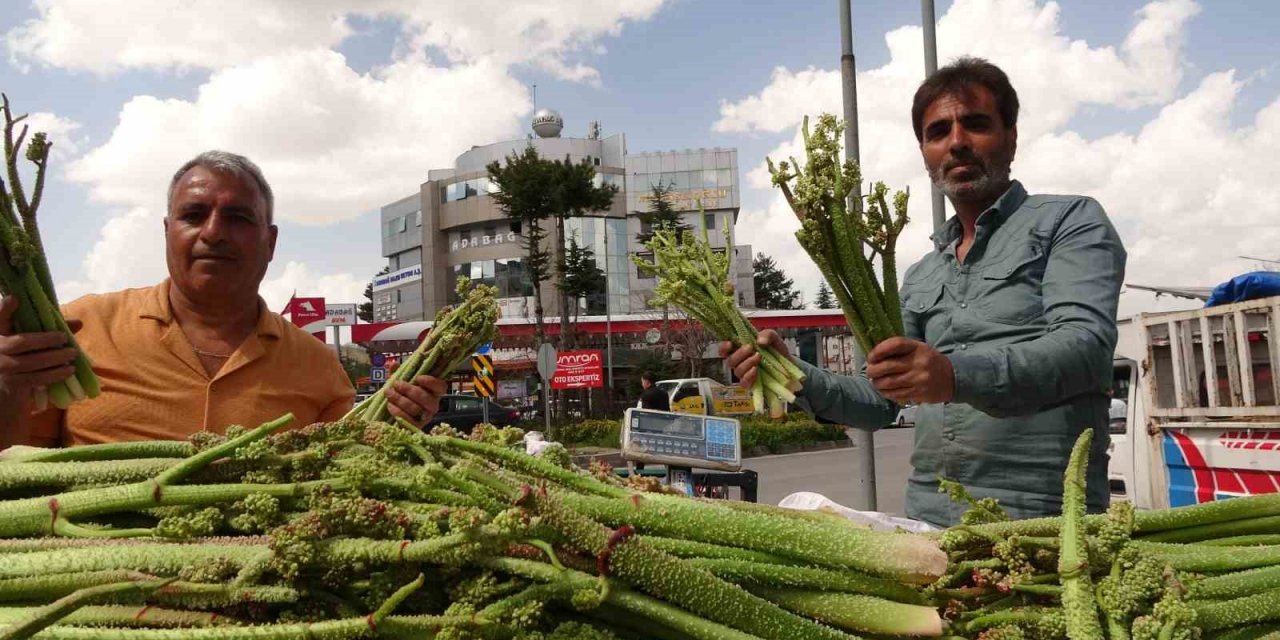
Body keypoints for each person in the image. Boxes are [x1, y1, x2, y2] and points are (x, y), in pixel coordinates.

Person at [722, 57, 1126, 526]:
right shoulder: (921, 274)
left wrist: (953, 375)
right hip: (929, 522)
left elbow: (1084, 347)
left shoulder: (1069, 222)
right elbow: (879, 399)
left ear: (1011, 136)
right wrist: (795, 376)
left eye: (975, 124)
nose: (957, 142)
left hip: (1047, 522)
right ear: (925, 151)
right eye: (938, 132)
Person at [0, 151, 445, 447]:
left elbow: (339, 480)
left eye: (237, 217)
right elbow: (15, 467)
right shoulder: (77, 328)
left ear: (269, 243)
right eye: (194, 215)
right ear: (167, 232)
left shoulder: (318, 367)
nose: (213, 232)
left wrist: (395, 428)